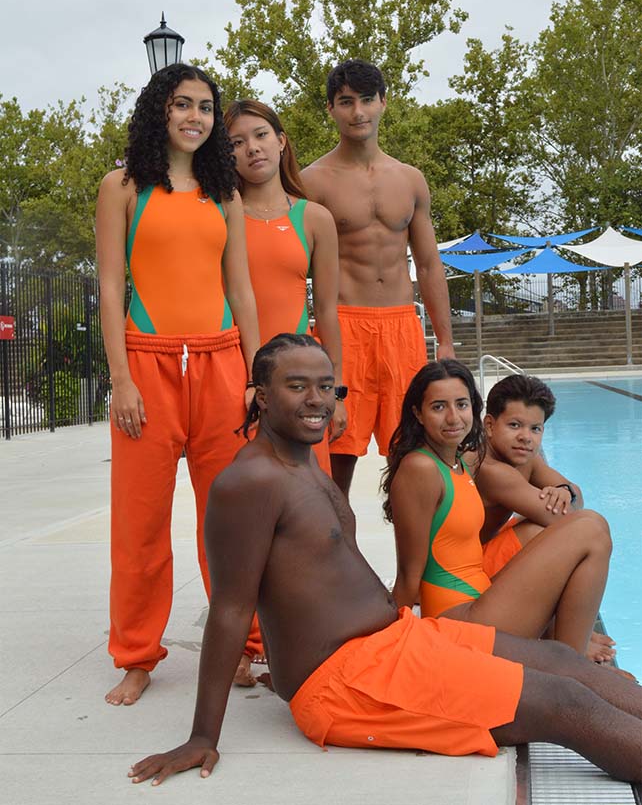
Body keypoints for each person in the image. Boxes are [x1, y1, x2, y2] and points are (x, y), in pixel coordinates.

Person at [129, 336, 642, 787]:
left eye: (327, 387)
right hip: (348, 680)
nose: (317, 401)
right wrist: (202, 734)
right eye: (298, 386)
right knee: (564, 703)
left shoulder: (302, 460)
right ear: (262, 396)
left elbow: (310, 576)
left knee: (562, 661)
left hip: (394, 638)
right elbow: (230, 608)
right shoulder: (249, 483)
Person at [96, 64, 260, 706]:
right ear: (157, 112)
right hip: (147, 367)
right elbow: (112, 287)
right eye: (182, 104)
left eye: (206, 107)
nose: (196, 116)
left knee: (230, 524)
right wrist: (121, 378)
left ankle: (244, 646)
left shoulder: (225, 195)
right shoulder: (123, 186)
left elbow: (240, 289)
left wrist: (254, 376)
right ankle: (137, 655)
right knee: (139, 524)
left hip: (222, 369)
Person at [383, 360, 612, 658]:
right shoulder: (422, 468)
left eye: (461, 405)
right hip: (457, 622)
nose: (453, 417)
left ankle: (567, 657)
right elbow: (407, 577)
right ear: (418, 413)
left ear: (473, 410)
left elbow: (570, 498)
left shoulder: (458, 463)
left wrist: (564, 490)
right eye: (439, 407)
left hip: (479, 598)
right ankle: (572, 660)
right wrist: (387, 647)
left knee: (580, 528)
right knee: (590, 528)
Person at [300, 59, 455, 498]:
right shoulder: (312, 182)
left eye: (367, 100)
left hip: (403, 329)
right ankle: (330, 564)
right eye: (346, 102)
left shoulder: (410, 180)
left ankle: (414, 567)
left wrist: (443, 341)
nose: (358, 112)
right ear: (330, 109)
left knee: (412, 461)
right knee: (335, 461)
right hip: (342, 328)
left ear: (384, 103)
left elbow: (427, 264)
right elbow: (294, 265)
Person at [223, 98, 347, 473]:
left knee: (308, 500)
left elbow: (326, 310)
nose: (252, 148)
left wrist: (335, 392)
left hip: (299, 377)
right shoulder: (217, 215)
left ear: (281, 141)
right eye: (236, 142)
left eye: (260, 135)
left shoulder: (314, 218)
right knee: (245, 496)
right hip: (233, 376)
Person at [476, 374, 615, 664]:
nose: (526, 436)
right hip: (472, 575)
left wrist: (563, 491)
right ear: (490, 425)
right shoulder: (489, 469)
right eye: (514, 425)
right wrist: (564, 499)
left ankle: (570, 635)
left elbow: (576, 495)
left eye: (535, 428)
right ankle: (570, 654)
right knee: (557, 533)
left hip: (489, 560)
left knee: (564, 530)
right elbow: (566, 520)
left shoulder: (525, 456)